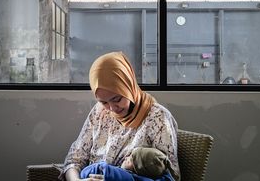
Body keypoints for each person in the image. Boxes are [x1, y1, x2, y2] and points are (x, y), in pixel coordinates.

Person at [60, 52, 180, 181]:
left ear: (128, 86)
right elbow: (74, 159)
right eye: (104, 102)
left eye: (117, 99)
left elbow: (171, 177)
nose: (112, 108)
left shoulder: (157, 117)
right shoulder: (99, 112)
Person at [80, 147, 179, 181]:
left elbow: (97, 169)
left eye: (130, 159)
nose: (126, 158)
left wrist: (102, 165)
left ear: (138, 169)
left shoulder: (126, 176)